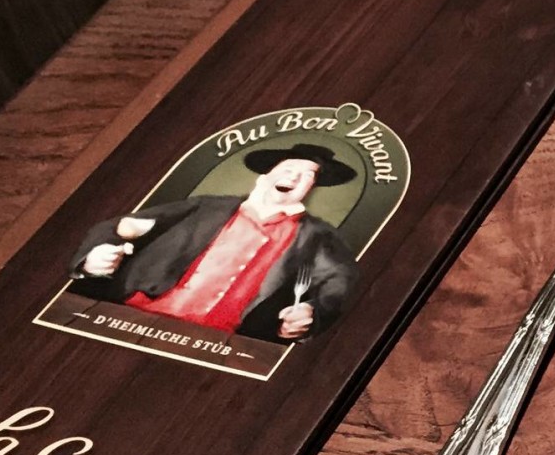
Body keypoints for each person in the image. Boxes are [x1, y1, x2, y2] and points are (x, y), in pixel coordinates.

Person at [70, 144, 360, 342]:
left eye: (308, 175)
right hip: (136, 318)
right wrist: (94, 260)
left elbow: (339, 282)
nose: (295, 176)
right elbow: (119, 226)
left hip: (224, 345)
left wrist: (311, 313)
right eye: (288, 168)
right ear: (265, 176)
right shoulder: (204, 208)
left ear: (310, 188)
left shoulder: (318, 236)